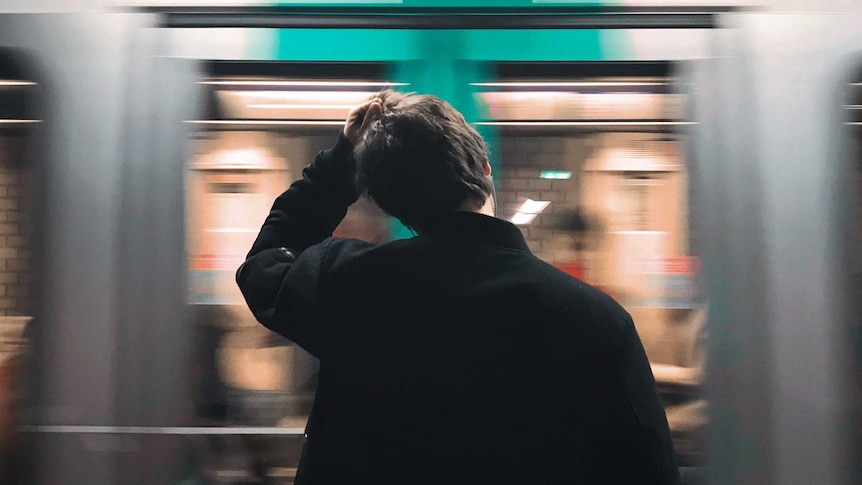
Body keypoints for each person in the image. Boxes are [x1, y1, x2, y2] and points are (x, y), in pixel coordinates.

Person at [236, 91, 681, 484]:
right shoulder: (598, 319)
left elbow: (264, 263)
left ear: (389, 202)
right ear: (487, 171)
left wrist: (338, 169)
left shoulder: (350, 285)